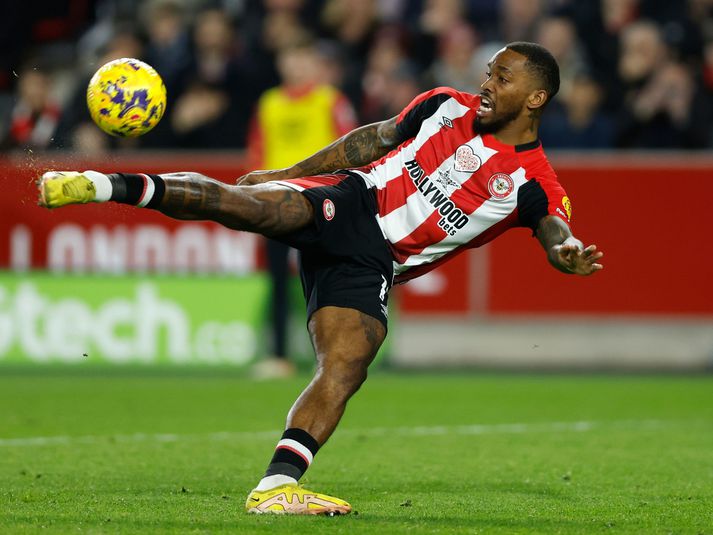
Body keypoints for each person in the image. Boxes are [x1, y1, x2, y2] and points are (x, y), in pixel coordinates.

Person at [37, 42, 603, 516]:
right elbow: (371, 140)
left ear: (535, 97)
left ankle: (276, 488)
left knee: (348, 362)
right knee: (249, 206)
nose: (486, 84)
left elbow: (554, 228)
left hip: (372, 262)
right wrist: (288, 174)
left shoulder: (532, 181)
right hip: (352, 200)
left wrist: (567, 250)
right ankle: (104, 184)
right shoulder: (443, 105)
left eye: (501, 78)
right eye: (487, 72)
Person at [247, 41, 358, 378]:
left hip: (320, 200)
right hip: (275, 201)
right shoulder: (269, 104)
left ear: (313, 62)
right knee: (279, 281)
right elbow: (257, 151)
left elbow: (351, 146)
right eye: (289, 57)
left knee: (325, 279)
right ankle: (280, 355)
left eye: (301, 57)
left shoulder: (330, 100)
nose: (295, 65)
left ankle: (330, 356)